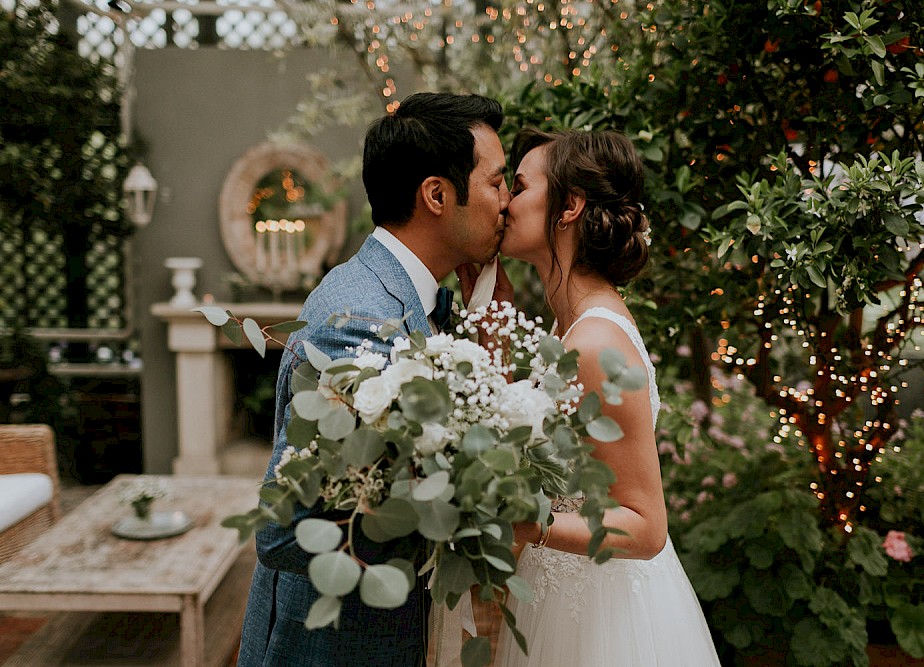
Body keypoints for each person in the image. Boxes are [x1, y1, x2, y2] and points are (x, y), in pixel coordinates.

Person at [237, 92, 512, 667]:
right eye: (497, 182)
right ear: (437, 195)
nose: (507, 202)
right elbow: (285, 533)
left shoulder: (421, 301)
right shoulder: (357, 323)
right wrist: (454, 518)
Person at [493, 128, 721, 666]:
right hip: (559, 596)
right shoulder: (569, 326)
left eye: (520, 187)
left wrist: (527, 523)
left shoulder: (595, 343)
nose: (504, 201)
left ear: (568, 206)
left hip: (603, 617)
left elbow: (645, 527)